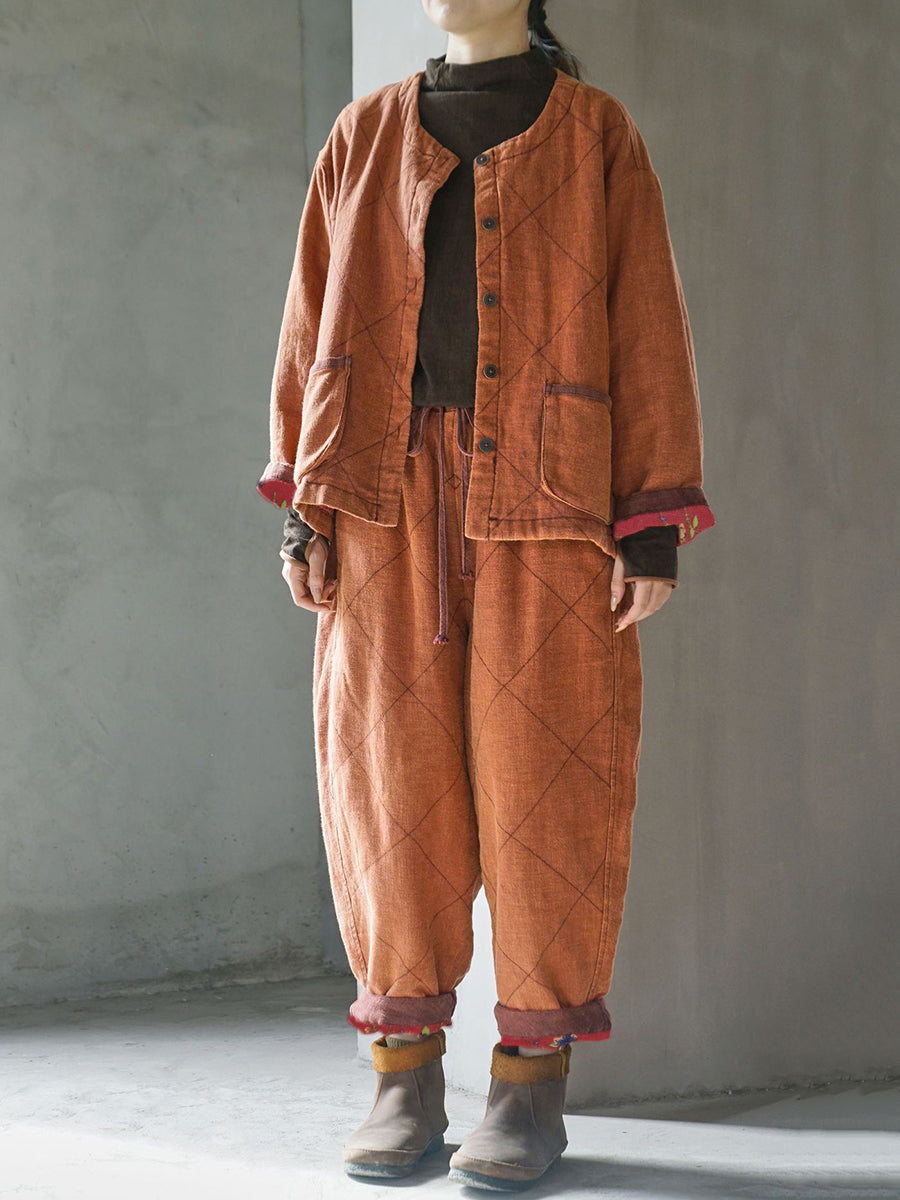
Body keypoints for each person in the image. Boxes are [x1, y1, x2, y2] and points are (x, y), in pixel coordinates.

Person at [256, 0, 715, 1190]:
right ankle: (404, 1079)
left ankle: (528, 1086)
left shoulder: (597, 133)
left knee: (548, 783)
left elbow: (646, 317)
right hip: (378, 494)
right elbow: (311, 316)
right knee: (387, 781)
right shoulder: (363, 134)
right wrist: (306, 503)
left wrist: (649, 521)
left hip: (552, 497)